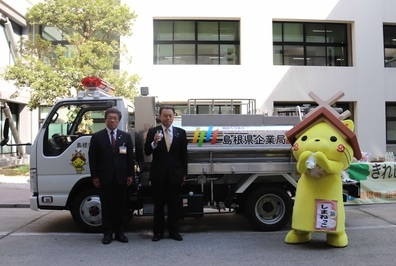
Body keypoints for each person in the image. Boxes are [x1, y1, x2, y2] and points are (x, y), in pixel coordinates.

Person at [88, 108, 135, 245]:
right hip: (104, 178)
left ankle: (120, 233)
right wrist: (95, 176)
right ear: (105, 119)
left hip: (121, 178)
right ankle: (107, 234)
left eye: (115, 118)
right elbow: (93, 159)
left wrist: (130, 175)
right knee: (107, 207)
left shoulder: (125, 137)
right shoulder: (97, 137)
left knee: (121, 207)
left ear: (119, 121)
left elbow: (130, 159)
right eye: (110, 118)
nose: (112, 120)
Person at [144, 105, 188, 242]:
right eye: (165, 115)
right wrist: (154, 143)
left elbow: (184, 156)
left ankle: (174, 232)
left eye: (170, 115)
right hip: (159, 175)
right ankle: (158, 233)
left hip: (175, 175)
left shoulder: (181, 132)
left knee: (174, 205)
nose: (167, 118)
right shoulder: (153, 132)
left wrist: (184, 174)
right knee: (158, 205)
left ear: (174, 116)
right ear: (159, 117)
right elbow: (147, 151)